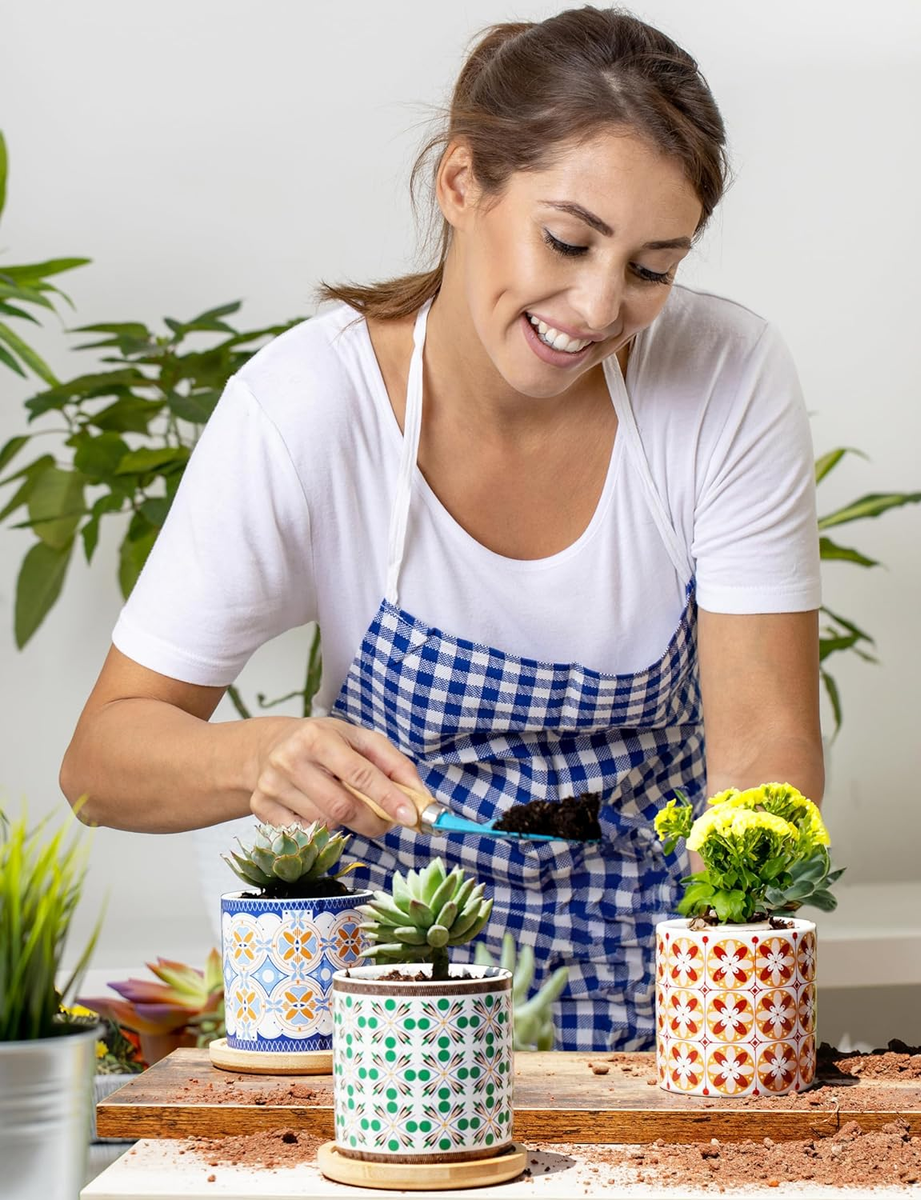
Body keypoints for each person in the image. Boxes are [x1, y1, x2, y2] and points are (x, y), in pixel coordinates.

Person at [60, 5, 824, 1051]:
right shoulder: (307, 406)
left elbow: (762, 751)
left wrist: (726, 1005)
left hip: (667, 990)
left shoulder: (727, 378)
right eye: (567, 239)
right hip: (389, 1017)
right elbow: (101, 765)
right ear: (462, 183)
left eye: (652, 268)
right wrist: (262, 758)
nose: (599, 307)